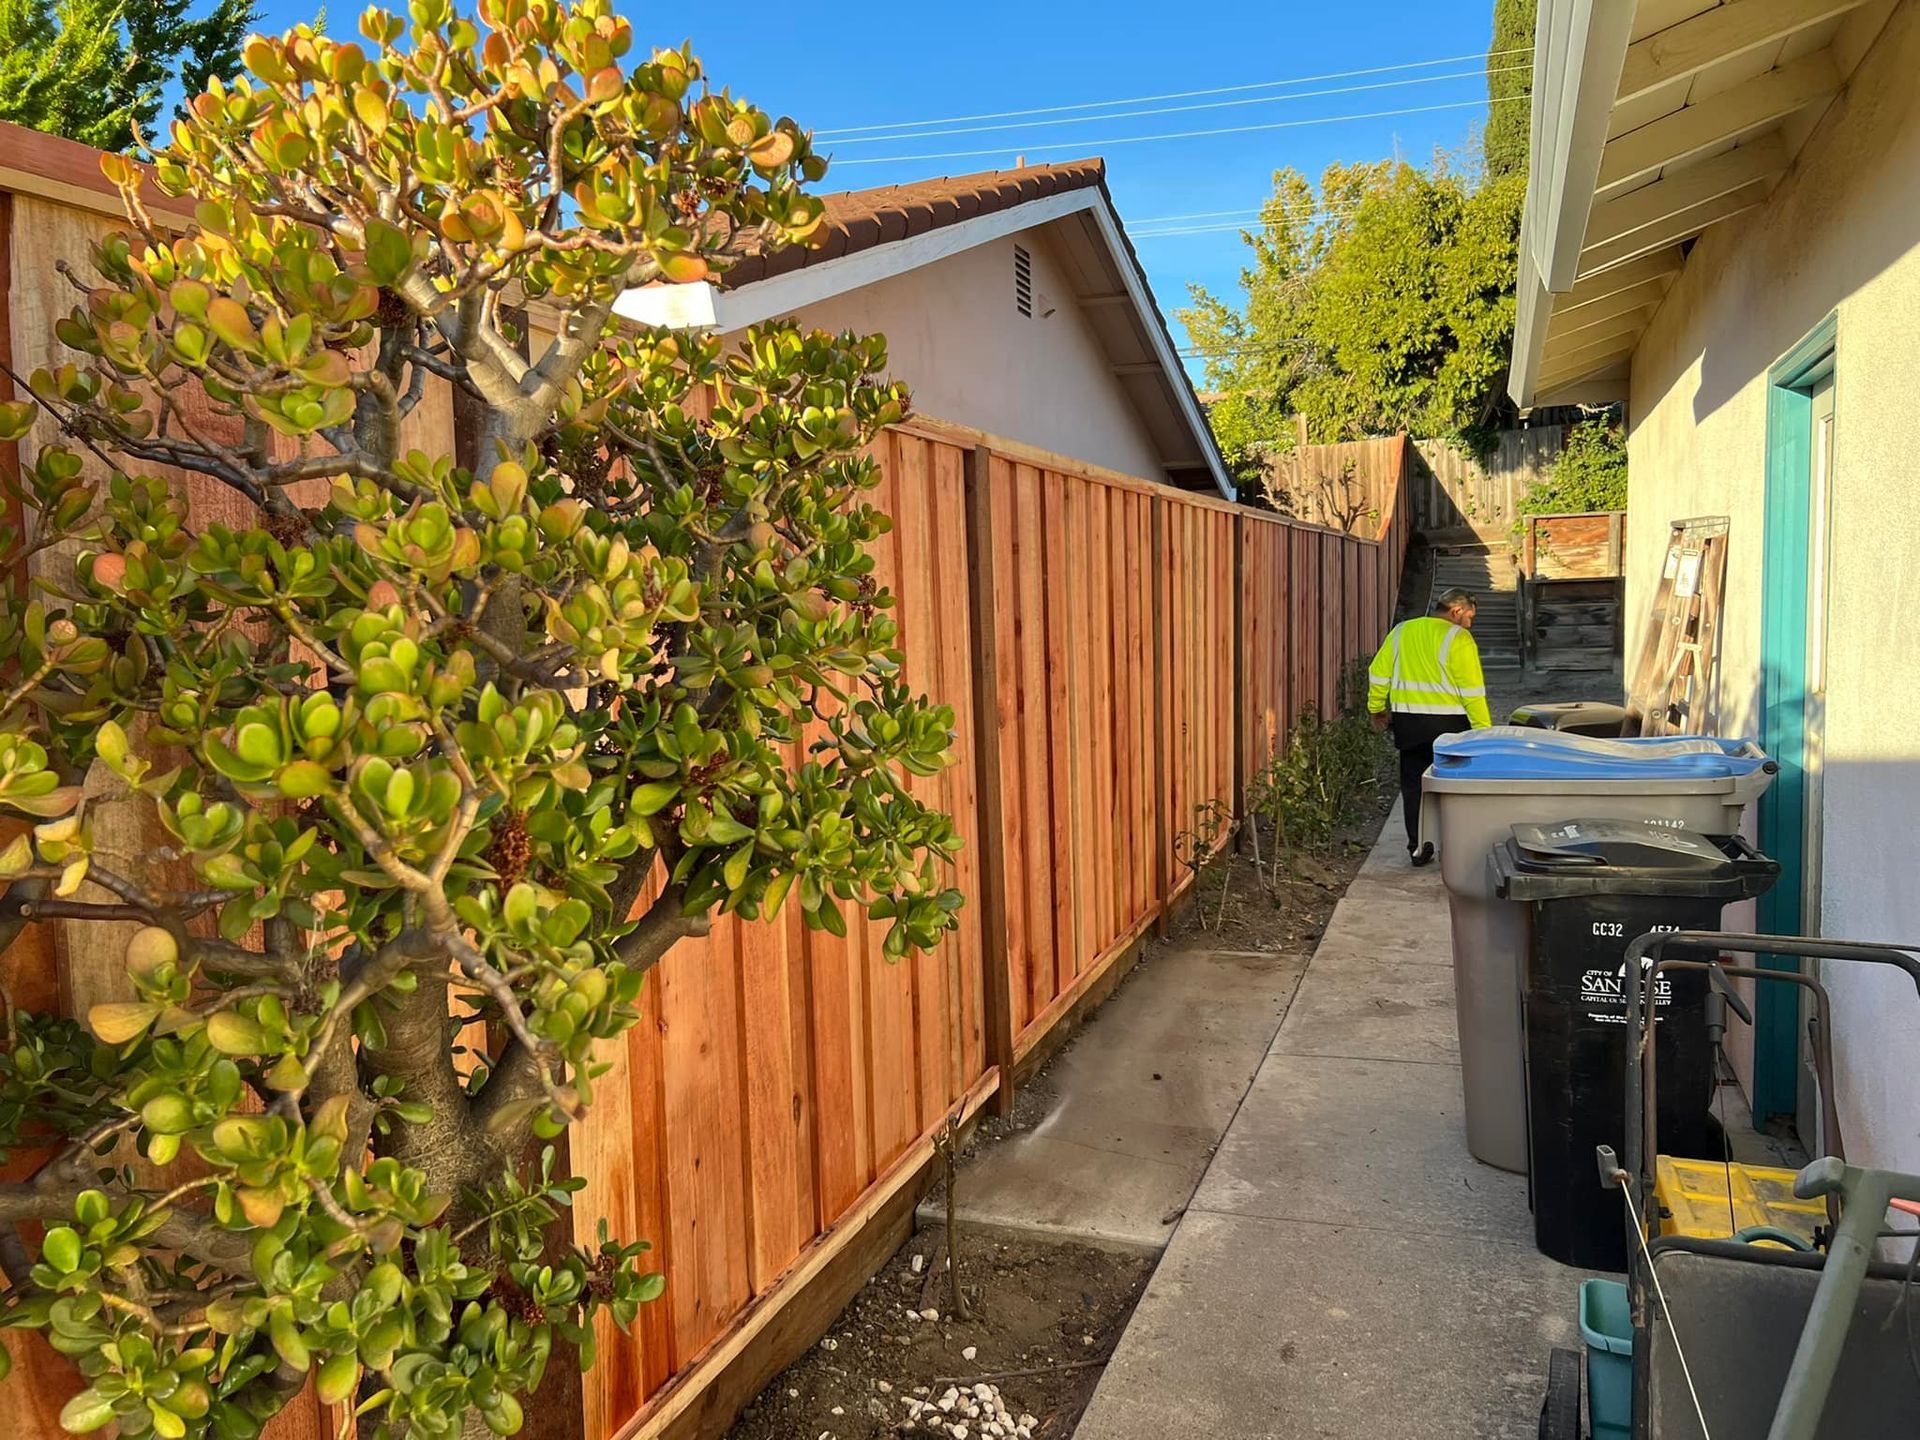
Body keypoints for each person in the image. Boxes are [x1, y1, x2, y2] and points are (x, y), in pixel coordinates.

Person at [1366, 587, 1492, 865]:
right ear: (1456, 611)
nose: (1470, 623)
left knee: (1414, 787)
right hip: (1450, 727)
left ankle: (1419, 848)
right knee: (1452, 787)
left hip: (1408, 722)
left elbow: (1378, 673)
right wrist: (1484, 731)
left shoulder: (1401, 631)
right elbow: (1472, 691)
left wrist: (1376, 709)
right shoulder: (1459, 638)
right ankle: (1456, 849)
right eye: (1470, 617)